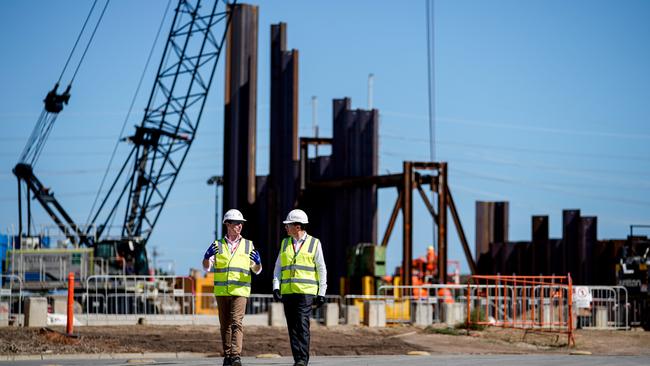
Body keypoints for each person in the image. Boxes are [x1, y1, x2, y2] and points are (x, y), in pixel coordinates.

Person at [202, 209, 262, 366]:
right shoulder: (217, 245)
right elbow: (206, 268)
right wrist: (206, 258)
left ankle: (236, 355)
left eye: (241, 223)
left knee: (237, 322)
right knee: (225, 325)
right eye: (236, 223)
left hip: (241, 291)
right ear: (227, 225)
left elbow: (257, 270)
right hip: (222, 291)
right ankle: (228, 355)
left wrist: (258, 262)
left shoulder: (249, 245)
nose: (240, 226)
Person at [272, 209, 327, 366]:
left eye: (288, 225)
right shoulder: (284, 243)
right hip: (288, 292)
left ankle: (303, 359)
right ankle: (298, 359)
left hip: (305, 292)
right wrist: (276, 287)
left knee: (302, 324)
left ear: (297, 226)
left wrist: (321, 292)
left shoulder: (314, 243)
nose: (285, 228)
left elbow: (321, 268)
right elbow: (278, 267)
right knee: (292, 327)